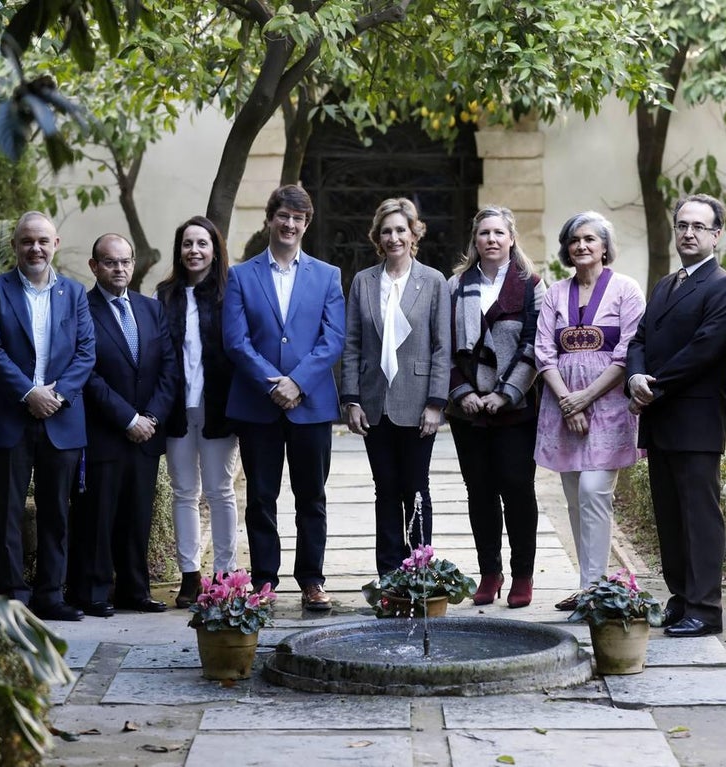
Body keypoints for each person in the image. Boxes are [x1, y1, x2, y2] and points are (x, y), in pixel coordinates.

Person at [222, 184, 345, 611]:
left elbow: (333, 339)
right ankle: (264, 582)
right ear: (270, 219)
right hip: (258, 406)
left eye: (298, 218)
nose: (289, 224)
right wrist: (274, 383)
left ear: (306, 224)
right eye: (283, 216)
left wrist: (299, 383)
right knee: (260, 497)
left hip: (310, 406)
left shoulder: (328, 275)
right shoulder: (240, 275)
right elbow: (236, 342)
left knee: (311, 496)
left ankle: (312, 580)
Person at [625, 194, 726, 637]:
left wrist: (652, 387)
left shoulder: (723, 288)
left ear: (716, 234)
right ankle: (681, 597)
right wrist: (635, 376)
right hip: (659, 418)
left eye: (699, 226)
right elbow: (638, 339)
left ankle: (706, 609)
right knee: (669, 515)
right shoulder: (664, 285)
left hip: (694, 421)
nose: (688, 233)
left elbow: (703, 351)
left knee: (699, 517)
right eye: (682, 225)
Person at [0, 211, 95, 621]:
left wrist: (55, 396)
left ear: (55, 244)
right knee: (7, 510)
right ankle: (14, 596)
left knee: (56, 512)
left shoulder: (75, 294)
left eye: (43, 240)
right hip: (9, 419)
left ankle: (50, 595)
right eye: (27, 241)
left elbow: (85, 354)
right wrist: (29, 393)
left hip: (60, 419)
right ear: (15, 246)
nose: (35, 248)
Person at [535, 211, 646, 613]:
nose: (581, 246)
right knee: (574, 500)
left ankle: (596, 589)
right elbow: (544, 351)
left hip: (609, 408)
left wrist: (586, 399)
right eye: (574, 240)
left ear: (604, 247)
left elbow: (628, 352)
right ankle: (588, 585)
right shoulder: (555, 293)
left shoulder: (626, 290)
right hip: (563, 408)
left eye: (589, 239)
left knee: (593, 493)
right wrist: (568, 402)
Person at [67, 234, 178, 616]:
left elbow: (168, 367)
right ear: (94, 266)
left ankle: (135, 590)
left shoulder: (151, 309)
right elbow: (86, 372)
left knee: (137, 516)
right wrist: (127, 418)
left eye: (125, 261)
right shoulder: (81, 308)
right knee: (97, 517)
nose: (120, 269)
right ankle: (94, 593)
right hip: (105, 432)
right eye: (111, 262)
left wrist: (150, 418)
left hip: (146, 433)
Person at [340, 198, 452, 576]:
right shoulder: (363, 281)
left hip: (418, 401)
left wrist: (437, 403)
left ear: (414, 233)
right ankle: (389, 574)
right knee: (385, 489)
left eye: (401, 229)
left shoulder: (433, 281)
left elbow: (442, 346)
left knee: (416, 487)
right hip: (374, 401)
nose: (394, 237)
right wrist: (351, 399)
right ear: (377, 236)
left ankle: (420, 570)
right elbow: (351, 343)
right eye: (386, 231)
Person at [447, 206, 545, 609]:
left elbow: (535, 344)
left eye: (498, 233)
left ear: (511, 239)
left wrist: (504, 393)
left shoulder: (531, 285)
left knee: (518, 489)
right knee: (480, 491)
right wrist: (462, 392)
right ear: (475, 240)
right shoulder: (455, 285)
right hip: (468, 410)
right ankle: (490, 572)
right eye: (484, 233)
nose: (491, 239)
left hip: (516, 407)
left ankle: (522, 575)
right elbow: (444, 344)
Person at [155, 216, 240, 609]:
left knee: (221, 491)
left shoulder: (228, 292)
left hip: (218, 405)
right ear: (179, 250)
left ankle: (225, 574)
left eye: (202, 244)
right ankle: (190, 575)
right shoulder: (166, 294)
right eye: (187, 243)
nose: (194, 251)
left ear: (214, 249)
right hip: (176, 406)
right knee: (184, 492)